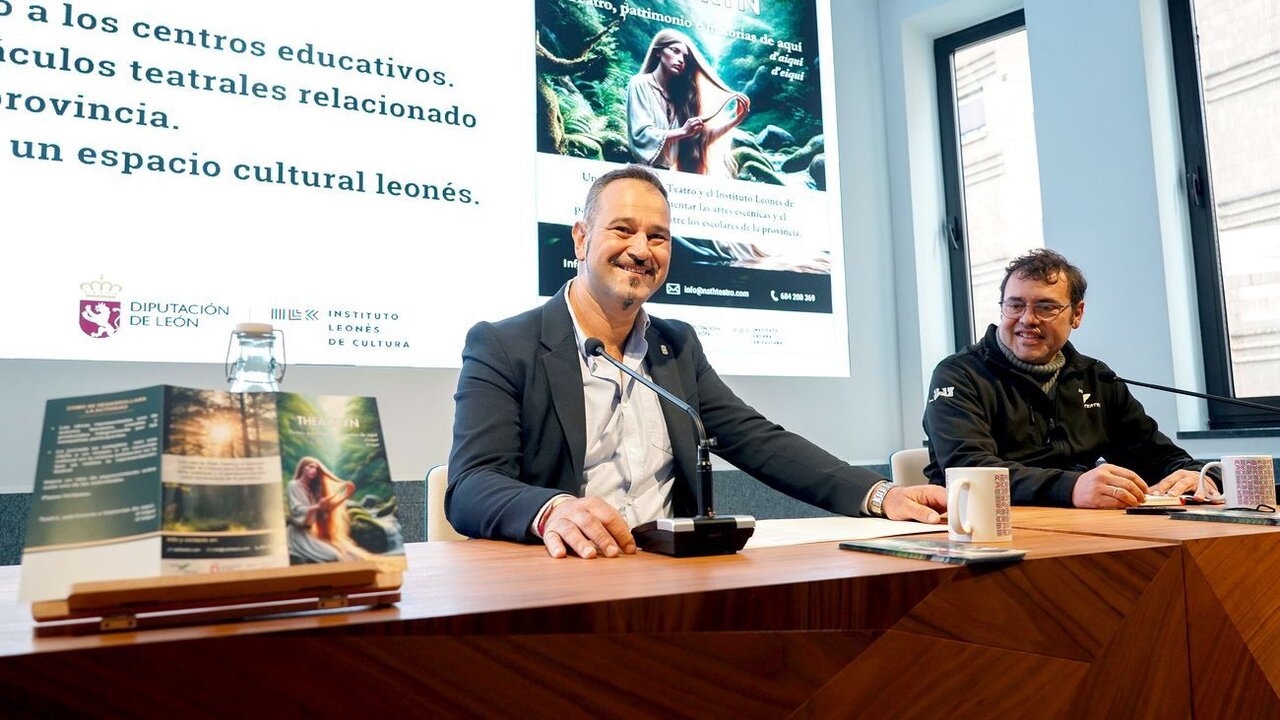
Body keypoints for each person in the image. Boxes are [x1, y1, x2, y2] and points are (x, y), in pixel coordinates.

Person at [447, 165, 946, 559]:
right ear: (580, 238)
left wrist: (882, 495)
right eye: (622, 229)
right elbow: (471, 485)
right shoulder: (503, 345)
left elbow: (758, 440)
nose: (641, 250)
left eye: (658, 237)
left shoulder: (676, 346)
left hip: (673, 578)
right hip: (566, 576)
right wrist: (552, 510)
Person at [922, 249, 1218, 508]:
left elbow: (1158, 457)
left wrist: (1198, 477)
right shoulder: (959, 375)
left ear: (1076, 314)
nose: (1027, 319)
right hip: (985, 529)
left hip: (1084, 528)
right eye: (1015, 305)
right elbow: (968, 470)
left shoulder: (1096, 378)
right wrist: (1073, 488)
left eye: (1046, 307)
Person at [627, 28, 750, 175]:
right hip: (641, 175)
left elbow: (700, 141)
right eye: (675, 51)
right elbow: (642, 135)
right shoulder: (640, 83)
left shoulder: (681, 96)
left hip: (667, 177)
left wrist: (736, 120)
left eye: (685, 58)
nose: (681, 60)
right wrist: (682, 131)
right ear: (658, 52)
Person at [286, 456, 368, 562]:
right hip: (297, 535)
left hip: (308, 534)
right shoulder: (293, 485)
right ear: (302, 468)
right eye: (311, 467)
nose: (314, 471)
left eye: (316, 469)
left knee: (349, 556)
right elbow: (296, 510)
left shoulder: (311, 491)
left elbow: (325, 512)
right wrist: (317, 506)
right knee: (333, 556)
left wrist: (344, 497)